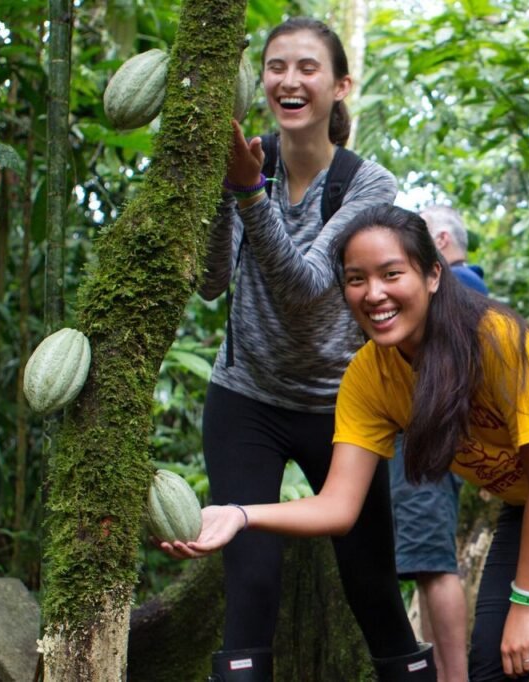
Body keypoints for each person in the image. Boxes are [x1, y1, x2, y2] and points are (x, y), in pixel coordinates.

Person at [169, 205, 529, 682]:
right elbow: (338, 507)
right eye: (356, 279)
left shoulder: (490, 338)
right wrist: (239, 514)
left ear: (433, 275)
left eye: (392, 274)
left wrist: (528, 602)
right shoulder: (368, 378)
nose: (374, 294)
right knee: (493, 661)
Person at [196, 18, 426, 681]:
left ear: (339, 85)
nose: (288, 81)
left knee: (372, 585)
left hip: (343, 404)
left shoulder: (366, 184)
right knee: (251, 583)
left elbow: (305, 286)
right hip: (247, 400)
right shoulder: (247, 160)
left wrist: (246, 192)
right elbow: (213, 283)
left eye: (306, 68)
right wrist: (227, 189)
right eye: (275, 67)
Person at [387, 205, 485, 682]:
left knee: (433, 562)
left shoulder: (458, 287)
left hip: (430, 440)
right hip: (432, 440)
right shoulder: (468, 287)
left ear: (440, 242)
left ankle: (453, 676)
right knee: (427, 563)